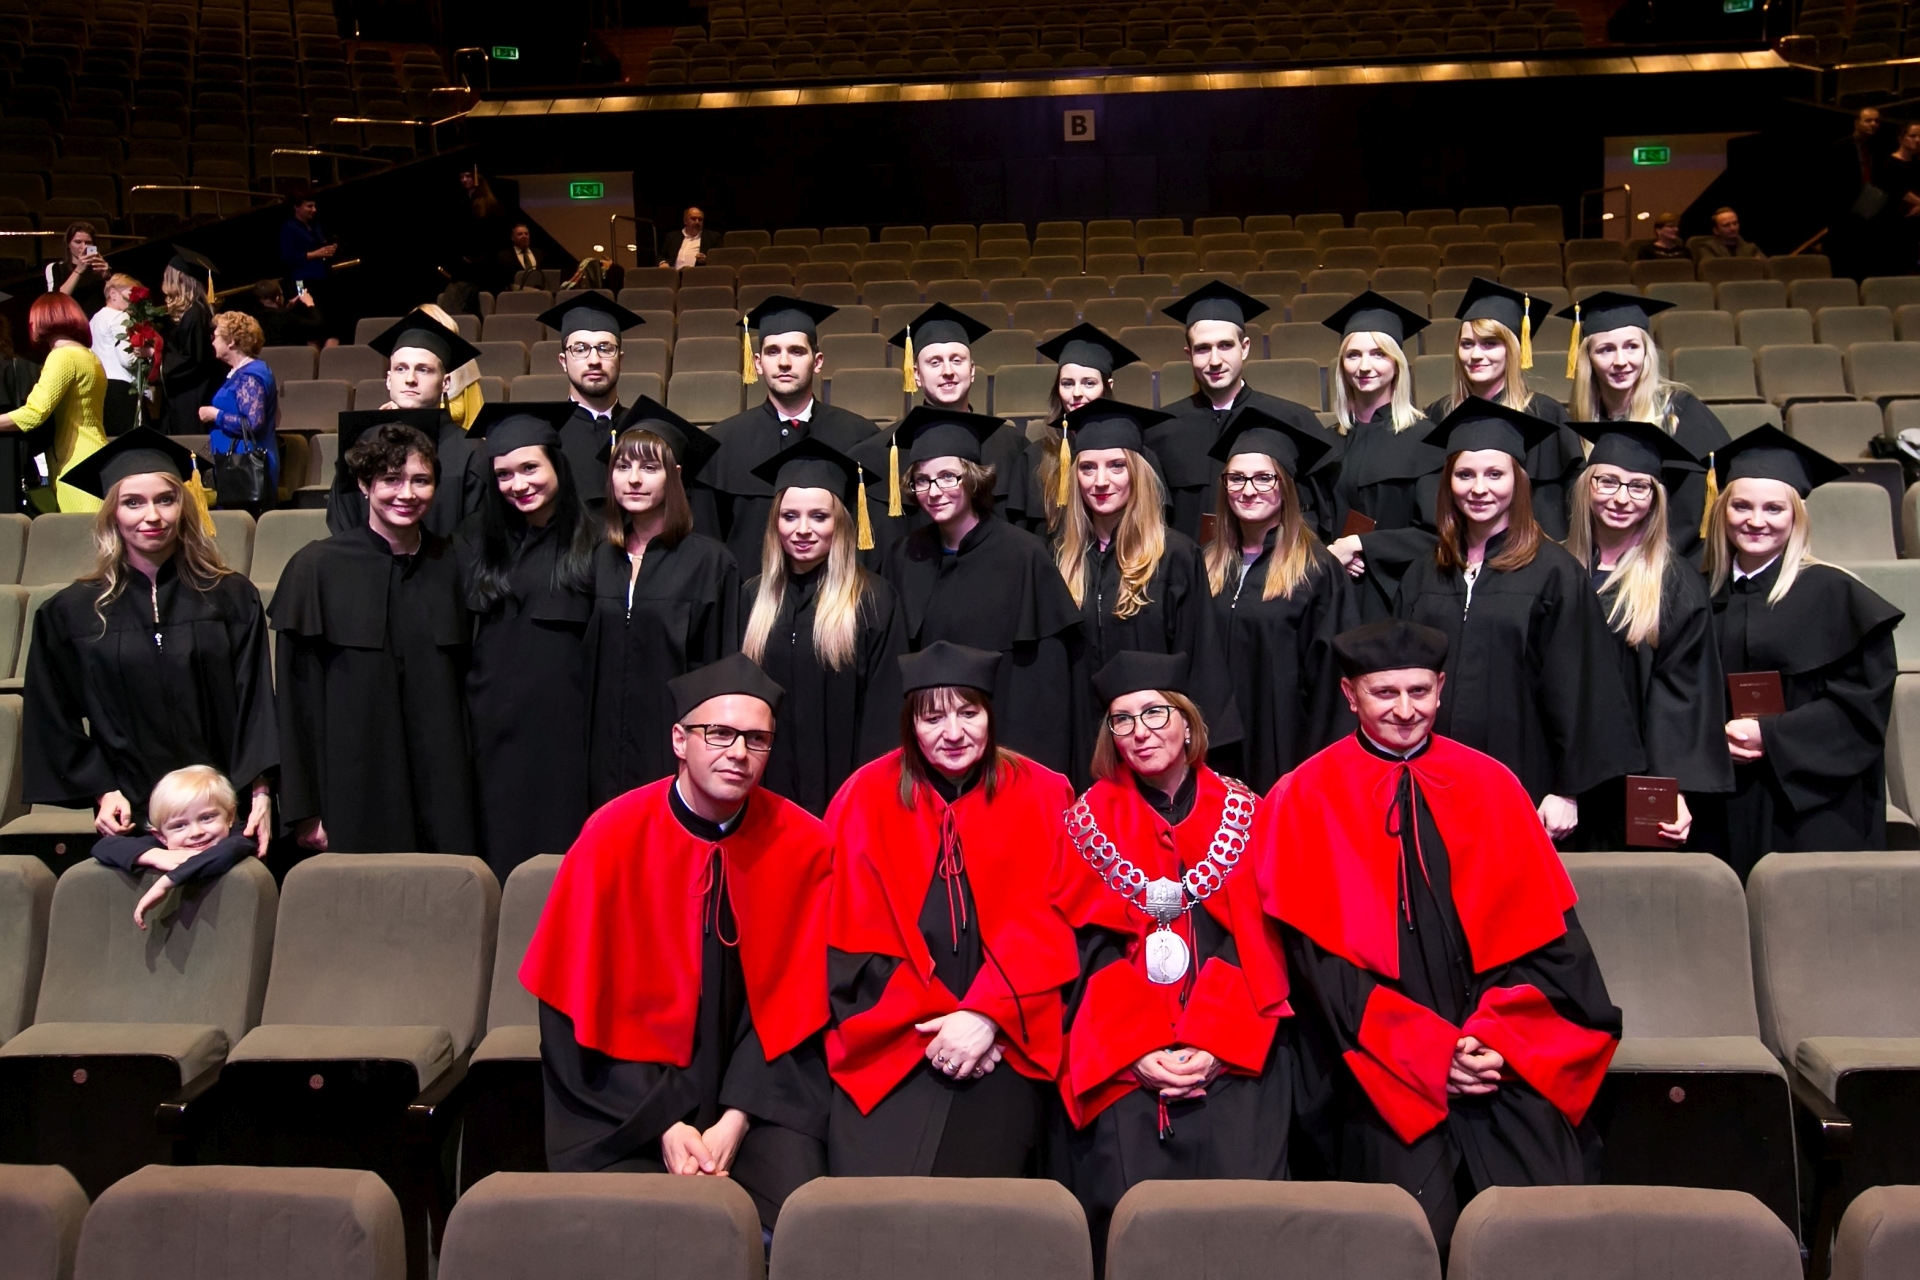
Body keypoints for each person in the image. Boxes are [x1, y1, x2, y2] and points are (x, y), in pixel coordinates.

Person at [1259, 618, 1622, 1254]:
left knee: (1543, 1216)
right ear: (1350, 695)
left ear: (1442, 687)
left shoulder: (1493, 783)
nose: (1406, 710)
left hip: (1498, 1047)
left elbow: (1551, 945)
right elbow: (1320, 969)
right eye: (1385, 693)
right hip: (1377, 1061)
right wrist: (1427, 1052)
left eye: (1420, 691)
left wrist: (1496, 1038)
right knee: (1408, 1230)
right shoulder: (1307, 795)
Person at [521, 653, 831, 1233]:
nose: (738, 753)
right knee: (628, 1231)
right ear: (679, 740)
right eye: (720, 733)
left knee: (800, 1221)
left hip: (758, 1098)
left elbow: (801, 1009)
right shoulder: (611, 837)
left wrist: (735, 1121)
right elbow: (569, 1006)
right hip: (626, 1102)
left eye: (757, 739)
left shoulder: (804, 846)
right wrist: (664, 1124)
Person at [1052, 650, 1294, 1267]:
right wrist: (1138, 1050)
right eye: (1123, 720)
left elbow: (1260, 945)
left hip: (1235, 1054)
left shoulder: (1247, 814)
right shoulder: (1084, 825)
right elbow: (1087, 952)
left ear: (1188, 722)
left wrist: (1216, 1041)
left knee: (1246, 1233)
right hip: (1125, 1063)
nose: (1141, 731)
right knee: (1135, 1235)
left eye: (1155, 713)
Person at [824, 641, 1079, 1176]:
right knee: (871, 1195)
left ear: (991, 715)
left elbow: (1053, 927)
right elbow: (849, 944)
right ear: (910, 725)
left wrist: (986, 1018)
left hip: (1007, 1040)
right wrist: (946, 1026)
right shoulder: (863, 797)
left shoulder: (1043, 793)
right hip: (892, 1041)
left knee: (980, 1190)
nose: (954, 732)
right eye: (933, 717)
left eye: (968, 713)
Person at [1394, 400, 1645, 841]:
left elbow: (1582, 687)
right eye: (1465, 475)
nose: (1479, 488)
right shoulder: (1424, 573)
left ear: (1519, 481)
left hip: (1526, 783)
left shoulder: (1554, 573)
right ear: (1448, 482)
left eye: (1495, 474)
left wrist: (1568, 791)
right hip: (1431, 781)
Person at [23, 429, 276, 847]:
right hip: (130, 817)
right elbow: (50, 714)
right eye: (133, 502)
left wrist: (261, 793)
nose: (152, 516)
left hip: (225, 814)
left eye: (165, 499)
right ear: (112, 513)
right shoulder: (72, 612)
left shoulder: (230, 597)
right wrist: (102, 790)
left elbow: (256, 703)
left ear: (184, 505)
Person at [1703, 426, 1902, 879]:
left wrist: (1771, 736)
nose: (1756, 520)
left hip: (1813, 807)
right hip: (1719, 800)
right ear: (1721, 510)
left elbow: (1861, 711)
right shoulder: (1697, 596)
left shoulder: (1837, 595)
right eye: (1741, 506)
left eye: (1774, 508)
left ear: (1797, 516)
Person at [272, 422, 477, 857]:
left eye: (421, 480)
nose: (407, 493)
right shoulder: (316, 569)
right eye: (391, 480)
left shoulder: (456, 563)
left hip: (445, 791)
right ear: (364, 485)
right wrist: (305, 809)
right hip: (353, 790)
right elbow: (296, 704)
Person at [881, 406, 1082, 778]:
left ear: (973, 478)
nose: (933, 492)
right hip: (929, 753)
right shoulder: (904, 556)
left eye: (947, 477)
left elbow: (1046, 685)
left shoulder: (1023, 555)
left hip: (1006, 747)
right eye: (922, 480)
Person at [1563, 420, 1733, 849]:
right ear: (1586, 486)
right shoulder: (1555, 570)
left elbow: (1683, 696)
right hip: (1561, 786)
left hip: (1632, 784)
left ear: (1656, 498)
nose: (1621, 498)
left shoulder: (1674, 584)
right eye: (1607, 481)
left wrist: (1672, 788)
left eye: (1639, 487)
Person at [1052, 399, 1238, 771]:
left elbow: (1200, 658)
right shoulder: (1058, 558)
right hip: (1082, 747)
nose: (1100, 481)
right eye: (1087, 468)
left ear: (1137, 472)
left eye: (1116, 466)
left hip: (1155, 747)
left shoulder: (1175, 556)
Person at [458, 404, 598, 879]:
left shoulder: (596, 543)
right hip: (494, 731)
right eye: (504, 475)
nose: (518, 484)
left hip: (566, 733)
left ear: (557, 464)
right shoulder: (477, 542)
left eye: (530, 468)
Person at [584, 398, 738, 808]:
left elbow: (719, 669)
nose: (633, 479)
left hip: (672, 746)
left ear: (676, 476)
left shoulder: (710, 563)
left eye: (650, 468)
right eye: (622, 467)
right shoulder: (598, 558)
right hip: (599, 747)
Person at [741, 436, 904, 815]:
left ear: (840, 523)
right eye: (789, 516)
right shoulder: (752, 599)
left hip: (848, 796)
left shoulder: (873, 600)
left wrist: (866, 799)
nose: (802, 529)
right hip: (766, 794)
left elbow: (884, 714)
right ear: (775, 523)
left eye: (819, 516)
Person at [1204, 411, 1357, 794]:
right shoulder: (1206, 564)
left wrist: (1319, 774)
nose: (1248, 490)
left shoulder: (1316, 570)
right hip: (1213, 749)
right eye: (1236, 478)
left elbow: (1331, 685)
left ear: (1286, 486)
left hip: (1286, 746)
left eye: (1264, 478)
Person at [1146, 280, 1339, 543]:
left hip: (1272, 565)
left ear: (1245, 347)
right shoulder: (1161, 431)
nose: (1215, 360)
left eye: (1225, 345)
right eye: (1203, 348)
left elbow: (1317, 514)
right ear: (1188, 354)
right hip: (1188, 566)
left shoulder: (1291, 420)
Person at [699, 296, 879, 570]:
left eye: (796, 351)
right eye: (772, 352)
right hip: (749, 592)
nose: (784, 362)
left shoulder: (859, 437)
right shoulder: (722, 444)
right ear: (758, 363)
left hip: (839, 591)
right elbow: (708, 549)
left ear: (817, 362)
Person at [1562, 291, 1730, 566]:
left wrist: (1652, 561)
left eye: (1632, 346)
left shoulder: (1679, 412)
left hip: (1668, 562)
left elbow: (1697, 501)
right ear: (1587, 357)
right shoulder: (1579, 423)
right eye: (1605, 350)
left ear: (1647, 352)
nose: (1620, 361)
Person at [858, 302, 1036, 554]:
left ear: (972, 371)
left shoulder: (1012, 446)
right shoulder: (881, 452)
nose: (948, 371)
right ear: (916, 374)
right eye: (935, 362)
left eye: (957, 360)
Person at [1424, 279, 1582, 539]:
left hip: (1535, 550)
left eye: (1490, 343)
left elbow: (1567, 506)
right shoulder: (1439, 414)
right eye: (1467, 344)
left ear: (1514, 349)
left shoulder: (1547, 415)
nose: (1475, 355)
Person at [1319, 292, 1445, 620]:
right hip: (1334, 591)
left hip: (1398, 595)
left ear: (1396, 363)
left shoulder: (1424, 439)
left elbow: (1436, 534)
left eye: (1378, 354)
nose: (1365, 366)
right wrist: (1332, 554)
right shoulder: (1328, 442)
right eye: (1353, 355)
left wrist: (1361, 546)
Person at [326, 309, 487, 538]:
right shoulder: (361, 448)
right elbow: (342, 524)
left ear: (445, 383)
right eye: (401, 369)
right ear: (389, 379)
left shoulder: (471, 452)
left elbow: (478, 534)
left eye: (424, 370)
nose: (410, 379)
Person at [91, 765, 260, 930]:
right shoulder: (166, 845)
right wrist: (155, 855)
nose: (196, 832)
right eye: (179, 825)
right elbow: (104, 846)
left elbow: (227, 851)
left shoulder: (241, 835)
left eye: (206, 817)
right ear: (161, 836)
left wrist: (166, 882)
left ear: (230, 816)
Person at [1017, 323, 1142, 534]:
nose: (1076, 393)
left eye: (1089, 383)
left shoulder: (1134, 453)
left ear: (1108, 386)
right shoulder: (1035, 457)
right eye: (1067, 383)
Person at [532, 296, 647, 503]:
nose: (594, 360)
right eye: (580, 349)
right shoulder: (543, 436)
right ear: (563, 361)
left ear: (620, 360)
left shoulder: (644, 428)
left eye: (605, 348)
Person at [0, 291, 107, 511]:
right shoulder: (90, 357)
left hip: (75, 462)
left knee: (81, 529)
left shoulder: (62, 357)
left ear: (45, 319)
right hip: (96, 453)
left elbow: (34, 414)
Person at [198, 311, 280, 509]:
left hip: (245, 469)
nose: (212, 342)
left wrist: (215, 415)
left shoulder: (250, 376)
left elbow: (253, 424)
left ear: (232, 341)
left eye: (216, 336)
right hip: (234, 466)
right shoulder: (240, 373)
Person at [159, 248, 220, 435]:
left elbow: (194, 359)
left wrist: (159, 360)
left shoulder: (195, 314)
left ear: (178, 279)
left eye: (167, 276)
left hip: (193, 393)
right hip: (188, 391)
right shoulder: (194, 311)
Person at [278, 186, 338, 341]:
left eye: (314, 206)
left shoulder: (315, 226)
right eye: (309, 206)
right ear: (296, 207)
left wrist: (328, 248)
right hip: (300, 280)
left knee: (326, 319)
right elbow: (288, 257)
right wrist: (315, 253)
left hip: (320, 278)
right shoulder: (289, 227)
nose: (314, 210)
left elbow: (319, 246)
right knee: (306, 315)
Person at [90, 273, 139, 437]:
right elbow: (127, 359)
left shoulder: (94, 319)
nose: (133, 299)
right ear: (113, 294)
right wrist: (144, 356)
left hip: (100, 387)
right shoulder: (120, 316)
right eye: (130, 294)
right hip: (120, 389)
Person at [1872, 121, 1920, 277]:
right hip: (1894, 223)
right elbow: (1897, 190)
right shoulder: (1888, 163)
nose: (1917, 140)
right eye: (1912, 136)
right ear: (1901, 138)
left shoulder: (1917, 164)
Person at [44, 221, 109, 316]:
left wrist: (107, 277)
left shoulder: (100, 266)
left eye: (88, 242)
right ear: (68, 244)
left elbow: (114, 298)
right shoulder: (57, 268)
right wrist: (79, 270)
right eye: (78, 242)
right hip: (72, 319)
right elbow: (57, 300)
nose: (84, 246)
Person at [1695, 207, 1764, 260]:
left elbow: (1766, 268)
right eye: (1726, 225)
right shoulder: (1708, 248)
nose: (1733, 228)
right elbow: (1710, 269)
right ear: (1716, 230)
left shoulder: (1750, 248)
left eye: (1735, 223)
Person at [659, 205, 712, 270]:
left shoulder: (712, 237)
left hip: (698, 274)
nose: (697, 222)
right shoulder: (672, 236)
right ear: (685, 221)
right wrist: (663, 263)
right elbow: (661, 255)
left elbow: (718, 259)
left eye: (700, 219)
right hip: (674, 274)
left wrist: (707, 259)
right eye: (693, 219)